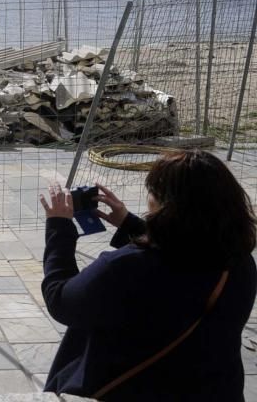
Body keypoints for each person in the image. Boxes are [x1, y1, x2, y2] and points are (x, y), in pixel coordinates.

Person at [40, 150, 257, 400]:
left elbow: (61, 300)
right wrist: (130, 225)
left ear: (165, 206)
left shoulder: (127, 267)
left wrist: (59, 229)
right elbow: (185, 257)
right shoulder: (239, 262)